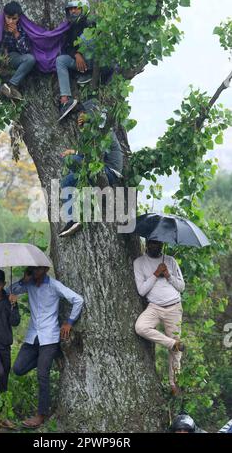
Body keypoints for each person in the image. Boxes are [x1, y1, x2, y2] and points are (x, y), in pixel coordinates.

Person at [8, 266, 84, 429]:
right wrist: (23, 280)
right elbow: (9, 290)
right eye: (32, 269)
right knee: (18, 368)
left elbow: (78, 299)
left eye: (37, 269)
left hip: (49, 336)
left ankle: (41, 414)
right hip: (33, 336)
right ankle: (49, 357)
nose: (34, 272)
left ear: (45, 269)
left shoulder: (54, 285)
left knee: (43, 374)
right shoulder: (28, 284)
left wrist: (69, 323)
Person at [59, 99, 124, 237]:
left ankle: (77, 214)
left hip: (109, 171)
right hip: (98, 168)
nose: (80, 117)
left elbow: (94, 156)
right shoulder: (91, 133)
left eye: (83, 114)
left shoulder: (104, 131)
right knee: (67, 172)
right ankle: (75, 214)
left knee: (69, 168)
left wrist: (75, 152)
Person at [133, 240, 185, 395]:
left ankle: (174, 384)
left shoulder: (170, 260)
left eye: (159, 244)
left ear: (162, 245)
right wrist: (156, 274)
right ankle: (172, 343)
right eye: (153, 244)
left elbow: (181, 287)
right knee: (140, 327)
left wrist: (168, 275)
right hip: (154, 307)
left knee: (176, 353)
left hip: (174, 306)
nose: (156, 246)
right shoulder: (139, 262)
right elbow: (142, 291)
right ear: (147, 244)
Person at [56, 0, 95, 121]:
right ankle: (65, 100)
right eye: (70, 9)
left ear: (83, 8)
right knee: (61, 60)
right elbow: (67, 47)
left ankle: (88, 74)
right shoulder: (71, 27)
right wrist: (76, 55)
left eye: (76, 8)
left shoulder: (92, 23)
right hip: (80, 63)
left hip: (95, 63)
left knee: (85, 38)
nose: (72, 11)